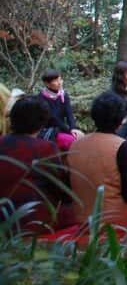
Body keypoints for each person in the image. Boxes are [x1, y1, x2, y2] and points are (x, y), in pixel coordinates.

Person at [67, 92, 127, 227]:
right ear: (120, 119)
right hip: (114, 220)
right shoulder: (122, 146)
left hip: (82, 217)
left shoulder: (75, 144)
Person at [0, 96, 74, 233]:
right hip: (32, 221)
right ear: (42, 122)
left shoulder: (2, 142)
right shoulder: (46, 148)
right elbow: (62, 190)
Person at [36, 69, 84, 151]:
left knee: (82, 138)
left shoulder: (63, 94)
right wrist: (69, 131)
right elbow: (53, 118)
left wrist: (74, 128)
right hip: (49, 131)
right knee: (73, 141)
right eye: (55, 80)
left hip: (62, 128)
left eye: (60, 79)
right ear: (47, 84)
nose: (59, 82)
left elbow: (69, 113)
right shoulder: (41, 98)